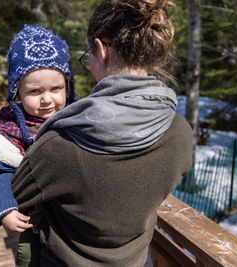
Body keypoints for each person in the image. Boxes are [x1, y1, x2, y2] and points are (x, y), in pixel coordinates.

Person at [12, 0, 193, 266]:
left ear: (101, 50)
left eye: (88, 57)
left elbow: (17, 194)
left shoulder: (61, 145)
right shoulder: (180, 133)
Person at [0, 24, 76, 266]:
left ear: (68, 86)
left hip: (69, 219)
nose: (47, 99)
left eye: (56, 88)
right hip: (30, 218)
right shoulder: (8, 130)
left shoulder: (76, 119)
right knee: (28, 259)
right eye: (35, 91)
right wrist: (4, 209)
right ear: (18, 93)